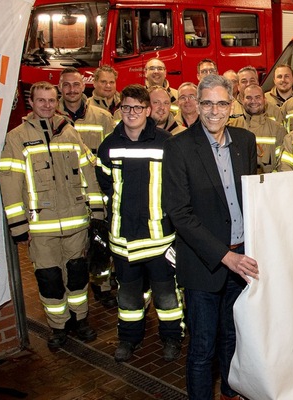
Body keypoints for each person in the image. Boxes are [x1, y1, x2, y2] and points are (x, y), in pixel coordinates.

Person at [163, 74, 259, 399]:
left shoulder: (245, 141)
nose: (214, 111)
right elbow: (180, 214)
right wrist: (224, 255)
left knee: (233, 338)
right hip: (204, 266)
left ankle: (231, 392)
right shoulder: (179, 147)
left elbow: (253, 199)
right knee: (202, 348)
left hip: (242, 262)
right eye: (207, 103)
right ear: (196, 105)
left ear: (231, 106)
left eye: (221, 103)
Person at [0, 81, 103, 349]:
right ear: (31, 103)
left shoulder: (69, 132)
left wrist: (98, 210)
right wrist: (18, 224)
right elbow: (10, 181)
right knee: (49, 280)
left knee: (78, 276)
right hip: (41, 227)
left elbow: (88, 171)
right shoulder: (16, 137)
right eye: (41, 100)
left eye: (50, 100)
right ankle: (58, 326)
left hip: (76, 222)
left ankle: (80, 319)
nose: (46, 105)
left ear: (56, 101)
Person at [96, 84, 183, 363]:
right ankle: (128, 339)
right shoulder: (109, 144)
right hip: (123, 239)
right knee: (129, 299)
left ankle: (171, 338)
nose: (131, 113)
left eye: (137, 107)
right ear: (120, 109)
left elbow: (176, 185)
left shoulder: (166, 142)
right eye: (126, 107)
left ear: (148, 110)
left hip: (159, 238)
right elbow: (105, 184)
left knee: (167, 298)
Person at [57, 67, 118, 309]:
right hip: (65, 193)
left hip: (95, 191)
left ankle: (102, 288)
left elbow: (112, 155)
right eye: (66, 85)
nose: (71, 90)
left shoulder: (102, 117)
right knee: (72, 250)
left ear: (84, 86)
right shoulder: (52, 116)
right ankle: (74, 295)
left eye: (76, 85)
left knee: (100, 242)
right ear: (60, 88)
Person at [239, 84, 288, 173]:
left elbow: (282, 164)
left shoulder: (278, 130)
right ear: (242, 100)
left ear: (265, 100)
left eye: (258, 97)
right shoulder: (232, 126)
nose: (253, 101)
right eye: (248, 97)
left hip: (268, 184)